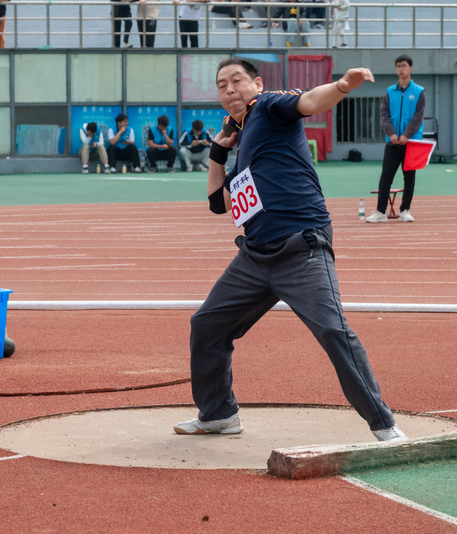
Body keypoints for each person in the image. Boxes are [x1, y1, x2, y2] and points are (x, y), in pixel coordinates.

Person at [174, 58, 406, 441]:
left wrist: (343, 86)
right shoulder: (244, 144)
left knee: (333, 330)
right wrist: (218, 152)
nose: (229, 89)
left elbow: (309, 102)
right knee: (207, 325)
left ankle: (385, 427)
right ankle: (218, 415)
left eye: (237, 80)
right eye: (221, 85)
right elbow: (219, 203)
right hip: (254, 257)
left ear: (257, 84)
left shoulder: (269, 105)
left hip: (302, 248)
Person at [366, 54, 425, 223]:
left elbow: (418, 116)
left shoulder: (419, 91)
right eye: (398, 66)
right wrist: (391, 133)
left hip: (411, 142)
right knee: (386, 175)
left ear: (411, 68)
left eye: (404, 66)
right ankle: (380, 212)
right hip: (392, 141)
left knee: (409, 177)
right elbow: (384, 115)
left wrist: (406, 135)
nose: (401, 69)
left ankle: (405, 210)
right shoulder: (390, 91)